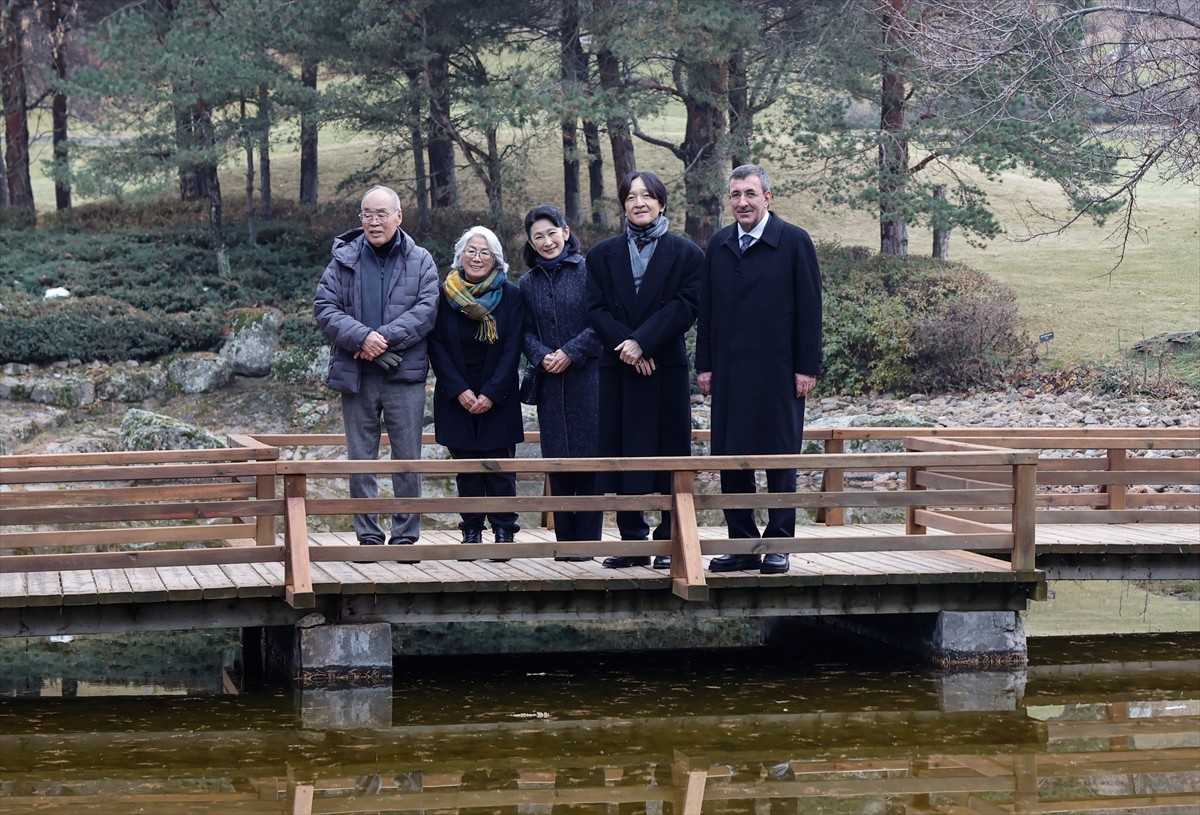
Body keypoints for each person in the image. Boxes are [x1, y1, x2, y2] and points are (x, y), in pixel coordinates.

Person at [696, 163, 823, 574]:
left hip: (779, 373)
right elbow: (708, 311)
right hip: (730, 374)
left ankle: (779, 543)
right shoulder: (718, 244)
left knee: (780, 458)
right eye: (735, 194)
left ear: (767, 197)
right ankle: (742, 544)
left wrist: (806, 367)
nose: (742, 202)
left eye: (750, 194)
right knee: (732, 459)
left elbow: (810, 309)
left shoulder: (793, 241)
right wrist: (706, 366)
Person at [314, 185, 439, 556]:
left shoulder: (421, 260)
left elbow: (427, 309)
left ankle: (405, 536)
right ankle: (367, 534)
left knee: (407, 459)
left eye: (382, 214)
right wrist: (361, 338)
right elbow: (325, 307)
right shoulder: (343, 258)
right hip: (356, 375)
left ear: (399, 217)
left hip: (405, 375)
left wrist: (380, 338)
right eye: (367, 214)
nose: (374, 221)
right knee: (360, 459)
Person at [586, 171, 702, 569]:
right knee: (623, 451)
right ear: (623, 204)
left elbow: (686, 305)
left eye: (647, 196)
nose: (639, 202)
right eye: (632, 196)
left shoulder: (687, 253)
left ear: (662, 203)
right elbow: (594, 308)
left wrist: (645, 342)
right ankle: (631, 540)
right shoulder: (602, 254)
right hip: (619, 366)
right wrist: (628, 347)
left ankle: (669, 539)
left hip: (664, 366)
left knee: (669, 451)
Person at [428, 226, 526, 554]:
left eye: (484, 252)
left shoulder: (511, 295)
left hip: (499, 395)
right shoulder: (445, 294)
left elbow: (513, 347)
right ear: (460, 256)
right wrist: (458, 390)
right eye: (471, 251)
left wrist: (491, 393)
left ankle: (503, 530)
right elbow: (436, 344)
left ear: (496, 259)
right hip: (456, 395)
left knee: (499, 469)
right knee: (467, 470)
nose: (477, 257)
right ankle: (471, 530)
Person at [518, 204, 603, 560]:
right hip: (551, 382)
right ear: (531, 242)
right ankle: (565, 543)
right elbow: (522, 330)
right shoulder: (527, 282)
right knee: (557, 459)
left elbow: (602, 321)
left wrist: (570, 352)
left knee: (589, 460)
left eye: (552, 232)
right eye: (539, 236)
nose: (547, 241)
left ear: (566, 232)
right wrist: (541, 355)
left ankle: (587, 542)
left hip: (588, 379)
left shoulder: (589, 271)